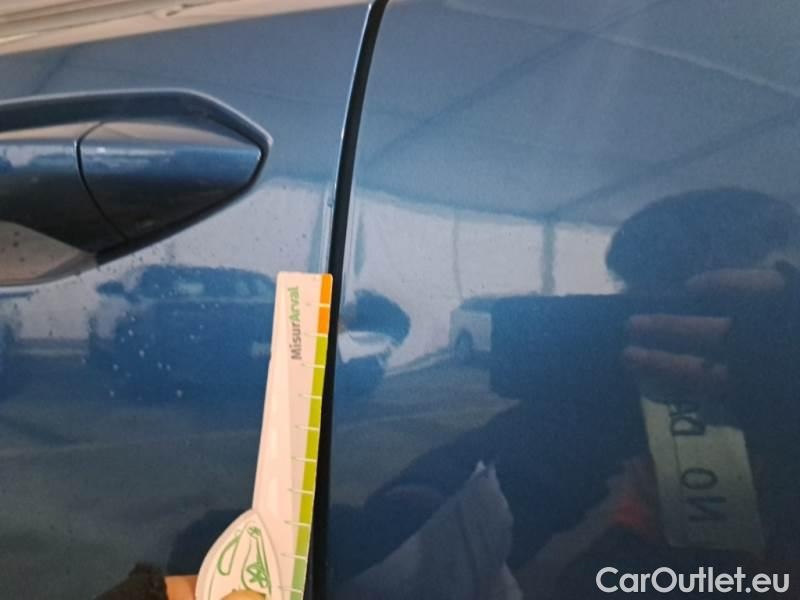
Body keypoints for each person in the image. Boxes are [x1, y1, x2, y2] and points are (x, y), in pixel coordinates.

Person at [328, 188, 800, 596]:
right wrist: (409, 515)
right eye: (632, 300)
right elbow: (504, 461)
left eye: (768, 306)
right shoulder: (603, 409)